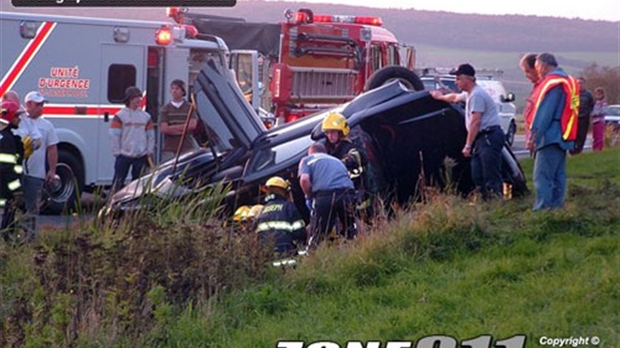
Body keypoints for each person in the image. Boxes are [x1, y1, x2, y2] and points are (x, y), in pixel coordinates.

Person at [431, 63, 504, 200]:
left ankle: (496, 203)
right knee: (477, 174)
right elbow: (454, 98)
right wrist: (439, 97)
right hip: (481, 139)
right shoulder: (469, 94)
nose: (455, 82)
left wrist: (468, 145)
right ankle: (485, 202)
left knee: (489, 174)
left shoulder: (477, 95)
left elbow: (475, 122)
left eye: (458, 78)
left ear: (467, 79)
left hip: (488, 137)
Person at [526, 53, 578, 211]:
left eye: (536, 68)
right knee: (558, 176)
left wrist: (533, 137)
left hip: (550, 136)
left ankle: (542, 211)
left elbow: (544, 113)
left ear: (543, 66)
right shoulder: (568, 81)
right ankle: (557, 209)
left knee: (542, 176)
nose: (537, 72)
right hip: (563, 134)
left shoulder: (552, 83)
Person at [298, 142, 358, 246]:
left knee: (319, 231)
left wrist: (309, 195)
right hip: (347, 194)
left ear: (311, 152)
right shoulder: (337, 161)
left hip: (325, 196)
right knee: (350, 227)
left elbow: (304, 180)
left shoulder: (307, 160)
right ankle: (356, 249)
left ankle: (313, 254)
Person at [22, 91, 59, 239]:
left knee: (32, 209)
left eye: (42, 104)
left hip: (36, 174)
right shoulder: (19, 122)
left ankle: (29, 238)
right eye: (38, 104)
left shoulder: (47, 125)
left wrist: (52, 170)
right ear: (28, 105)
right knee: (12, 207)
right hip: (18, 173)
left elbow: (52, 148)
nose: (41, 107)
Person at [109, 86, 155, 193]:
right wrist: (117, 152)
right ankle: (114, 203)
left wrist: (149, 151)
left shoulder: (146, 116)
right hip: (123, 156)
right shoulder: (120, 116)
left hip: (141, 156)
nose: (139, 99)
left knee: (138, 185)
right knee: (118, 182)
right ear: (129, 98)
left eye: (139, 97)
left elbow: (151, 135)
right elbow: (114, 135)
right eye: (136, 97)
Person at [320, 112, 368, 211]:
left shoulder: (350, 147)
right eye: (327, 132)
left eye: (333, 132)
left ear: (341, 132)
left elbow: (355, 156)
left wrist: (342, 162)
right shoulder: (328, 149)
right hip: (338, 194)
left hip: (356, 193)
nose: (330, 136)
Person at [254, 177, 306, 257]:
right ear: (283, 192)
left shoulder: (262, 210)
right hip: (287, 256)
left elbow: (253, 233)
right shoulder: (288, 207)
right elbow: (300, 233)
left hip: (267, 258)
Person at [0, 101, 25, 240]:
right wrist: (17, 191)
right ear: (9, 117)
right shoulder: (8, 140)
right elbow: (8, 169)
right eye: (17, 116)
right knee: (6, 228)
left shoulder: (5, 136)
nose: (19, 119)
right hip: (5, 190)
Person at [159, 79, 198, 162]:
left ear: (182, 91)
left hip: (187, 147)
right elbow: (164, 129)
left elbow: (192, 125)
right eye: (172, 88)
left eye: (177, 89)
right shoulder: (165, 109)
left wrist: (172, 128)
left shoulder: (190, 107)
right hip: (169, 147)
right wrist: (183, 129)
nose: (174, 91)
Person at [519, 53, 541, 145]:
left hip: (540, 140)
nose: (526, 76)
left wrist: (533, 138)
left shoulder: (544, 88)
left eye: (527, 71)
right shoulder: (537, 87)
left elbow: (543, 116)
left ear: (537, 69)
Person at [571, 77, 595, 154]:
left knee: (582, 134)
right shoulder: (574, 93)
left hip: (584, 118)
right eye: (578, 83)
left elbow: (592, 104)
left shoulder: (588, 94)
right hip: (575, 118)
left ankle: (579, 150)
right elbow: (573, 106)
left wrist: (588, 112)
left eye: (581, 83)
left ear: (584, 84)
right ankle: (572, 150)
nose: (580, 85)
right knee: (574, 134)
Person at [591, 87, 608, 151]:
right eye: (596, 94)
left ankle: (599, 148)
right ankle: (595, 147)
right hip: (594, 121)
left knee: (599, 135)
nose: (597, 96)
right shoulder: (595, 103)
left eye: (599, 94)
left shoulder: (603, 103)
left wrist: (596, 113)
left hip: (600, 121)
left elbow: (604, 111)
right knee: (595, 135)